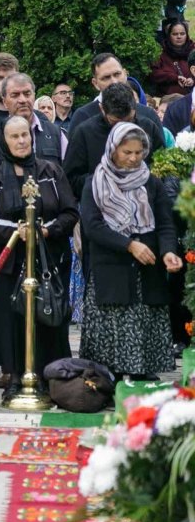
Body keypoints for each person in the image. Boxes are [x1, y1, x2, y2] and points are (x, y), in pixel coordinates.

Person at [0, 116, 79, 399]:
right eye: (14, 137)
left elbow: (70, 212)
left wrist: (47, 230)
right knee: (11, 321)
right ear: (4, 141)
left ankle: (50, 376)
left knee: (48, 317)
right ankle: (16, 377)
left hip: (48, 259)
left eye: (25, 136)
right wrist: (14, 232)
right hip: (10, 262)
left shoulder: (50, 171)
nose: (21, 141)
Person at [80, 123, 181, 379]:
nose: (134, 158)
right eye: (127, 152)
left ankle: (142, 376)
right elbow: (93, 227)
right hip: (111, 268)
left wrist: (168, 251)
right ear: (113, 149)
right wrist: (129, 245)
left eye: (138, 152)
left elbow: (165, 223)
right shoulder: (96, 182)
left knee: (145, 321)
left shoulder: (151, 183)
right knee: (112, 330)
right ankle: (107, 381)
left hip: (147, 269)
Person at [64, 82, 167, 197]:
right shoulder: (84, 132)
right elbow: (70, 180)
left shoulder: (148, 127)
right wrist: (107, 179)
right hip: (99, 205)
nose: (123, 127)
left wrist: (140, 176)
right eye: (115, 122)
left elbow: (163, 167)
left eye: (129, 120)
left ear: (135, 108)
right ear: (102, 109)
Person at [70, 53, 163, 131]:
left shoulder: (148, 114)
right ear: (95, 83)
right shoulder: (83, 116)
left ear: (125, 74)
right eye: (106, 77)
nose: (114, 81)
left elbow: (160, 152)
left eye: (117, 74)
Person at [149, 19, 195, 97]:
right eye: (175, 34)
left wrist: (192, 79)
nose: (179, 37)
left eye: (182, 33)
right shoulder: (160, 52)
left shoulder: (193, 51)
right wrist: (175, 78)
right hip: (168, 98)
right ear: (169, 35)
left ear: (187, 35)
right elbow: (154, 73)